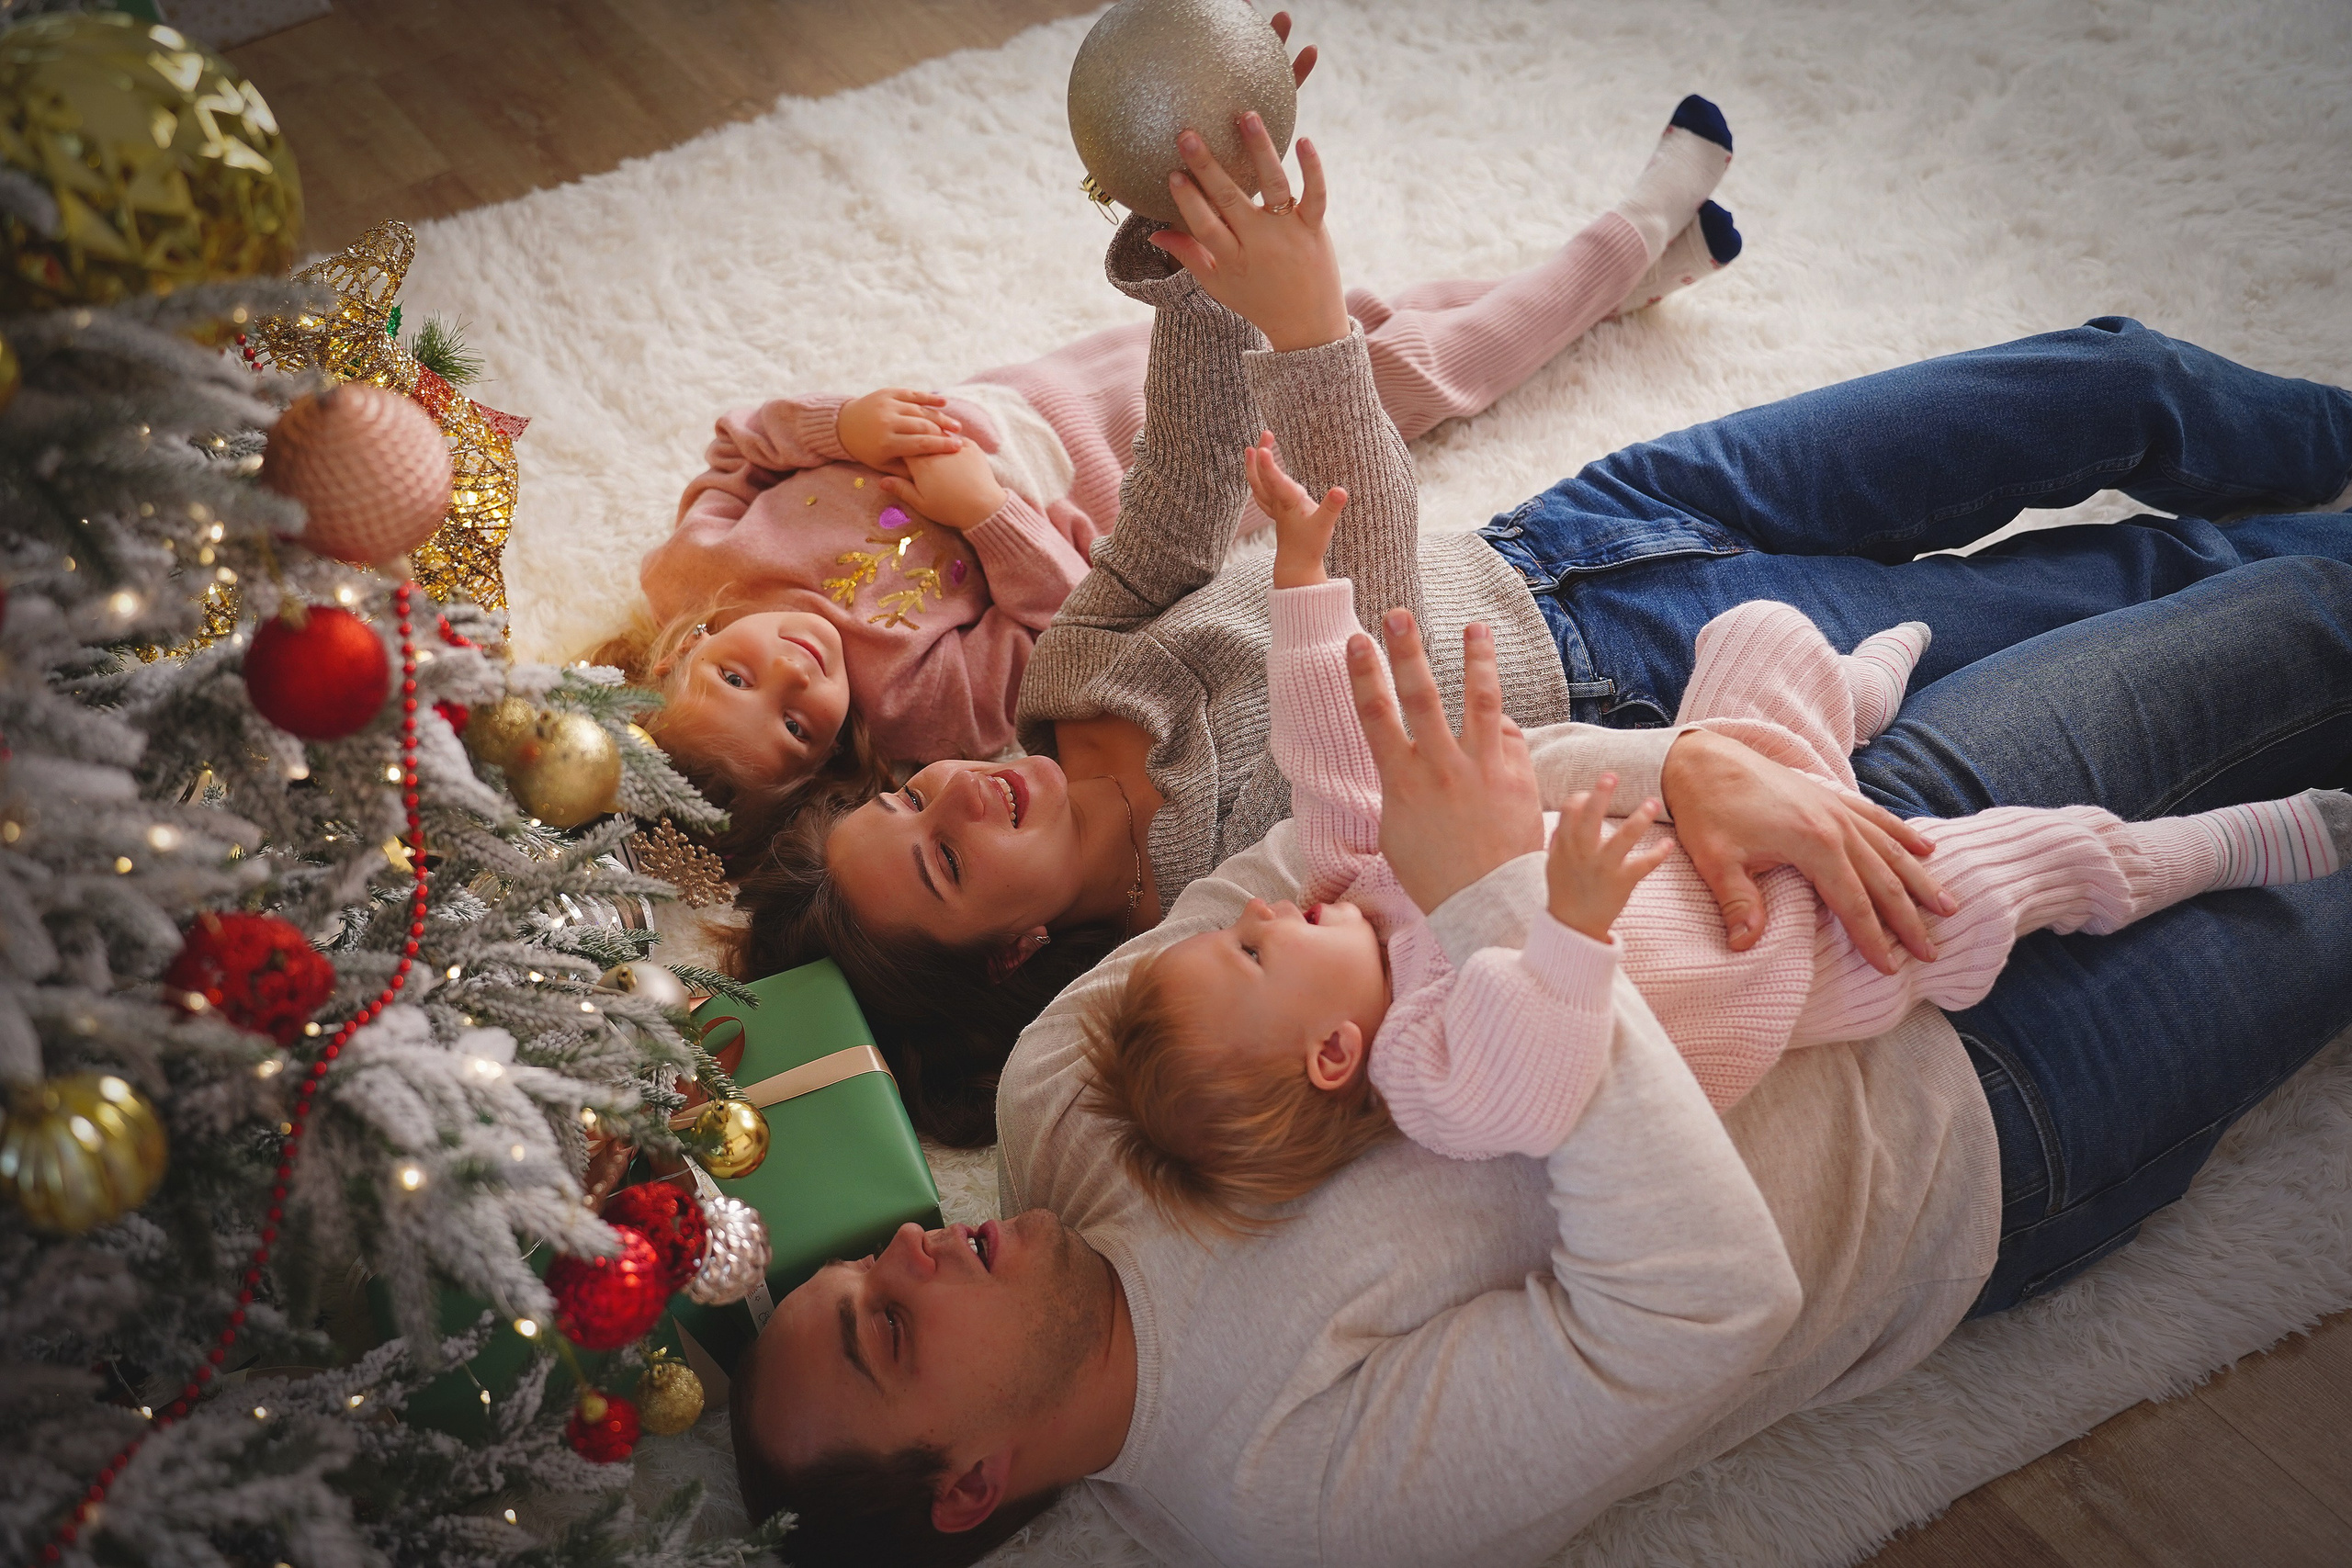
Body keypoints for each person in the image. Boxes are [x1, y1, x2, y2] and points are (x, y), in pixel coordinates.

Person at [731, 109, 2352, 1151]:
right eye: (941, 859)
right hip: (1653, 666)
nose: (947, 795)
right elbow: (1364, 582)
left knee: (2102, 374)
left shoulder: (1064, 687)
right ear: (1019, 951)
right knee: (2158, 587)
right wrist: (1309, 325)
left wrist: (1199, 267)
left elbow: (1173, 492)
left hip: (1577, 528)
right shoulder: (1233, 897)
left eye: (898, 802)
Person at [728, 561, 2352, 1568]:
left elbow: (1343, 839)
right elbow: (1709, 1298)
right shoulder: (1295, 1499)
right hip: (1983, 1121)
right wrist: (1521, 909)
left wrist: (1703, 766)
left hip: (1804, 847)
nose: (914, 1246)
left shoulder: (1059, 1089)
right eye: (887, 1327)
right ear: (974, 1486)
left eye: (871, 1263)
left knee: (2285, 620)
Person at [1079, 440, 2348, 1227]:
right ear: (1330, 1052)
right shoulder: (1434, 1073)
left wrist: (1306, 587)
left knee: (1753, 634)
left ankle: (1844, 705)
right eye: (1249, 956)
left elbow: (1329, 754)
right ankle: (2247, 839)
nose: (1251, 911)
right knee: (2056, 858)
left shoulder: (1356, 881)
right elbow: (1548, 1059)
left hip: (1741, 812)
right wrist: (1559, 919)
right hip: (1820, 940)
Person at [594, 74, 1743, 843]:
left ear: (683, 654)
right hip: (1142, 471)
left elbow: (742, 441)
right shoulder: (912, 713)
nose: (795, 672)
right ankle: (1631, 232)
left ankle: (1621, 282)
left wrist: (840, 429)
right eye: (796, 723)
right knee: (1416, 375)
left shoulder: (695, 570)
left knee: (1349, 312)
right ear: (820, 775)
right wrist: (985, 511)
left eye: (736, 679)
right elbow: (1062, 623)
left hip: (1044, 384)